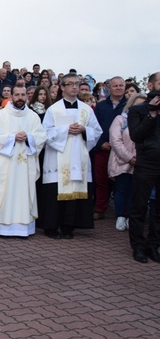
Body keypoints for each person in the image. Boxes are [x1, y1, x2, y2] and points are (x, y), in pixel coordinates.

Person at [41, 74, 102, 239]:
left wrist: (84, 131)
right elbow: (44, 133)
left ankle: (69, 227)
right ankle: (51, 227)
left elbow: (97, 132)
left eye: (77, 84)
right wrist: (65, 130)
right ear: (62, 87)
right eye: (70, 84)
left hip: (78, 155)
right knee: (55, 192)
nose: (74, 87)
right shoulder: (53, 109)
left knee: (75, 191)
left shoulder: (86, 109)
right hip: (57, 156)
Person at [0, 85, 47, 236]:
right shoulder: (0, 116)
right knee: (2, 191)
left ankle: (22, 228)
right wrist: (12, 137)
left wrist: (29, 137)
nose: (20, 98)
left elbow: (42, 137)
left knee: (23, 192)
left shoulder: (33, 116)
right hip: (5, 163)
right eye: (16, 94)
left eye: (23, 95)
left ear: (27, 96)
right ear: (11, 96)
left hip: (25, 165)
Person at [128, 73, 160, 263]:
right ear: (150, 85)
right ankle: (138, 246)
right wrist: (151, 114)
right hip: (146, 163)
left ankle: (154, 245)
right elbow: (136, 136)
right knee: (139, 206)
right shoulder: (138, 110)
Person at [110, 93, 145, 231]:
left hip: (141, 161)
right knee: (122, 189)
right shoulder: (121, 119)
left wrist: (139, 158)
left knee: (135, 191)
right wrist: (129, 157)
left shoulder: (148, 120)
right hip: (122, 160)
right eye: (137, 104)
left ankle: (131, 217)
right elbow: (115, 140)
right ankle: (120, 216)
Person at [93, 76, 127, 220]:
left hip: (122, 150)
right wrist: (101, 143)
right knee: (101, 180)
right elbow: (94, 127)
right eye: (115, 86)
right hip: (103, 149)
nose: (118, 88)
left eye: (121, 85)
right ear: (109, 88)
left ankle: (122, 213)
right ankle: (100, 209)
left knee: (122, 182)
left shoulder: (128, 106)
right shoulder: (101, 106)